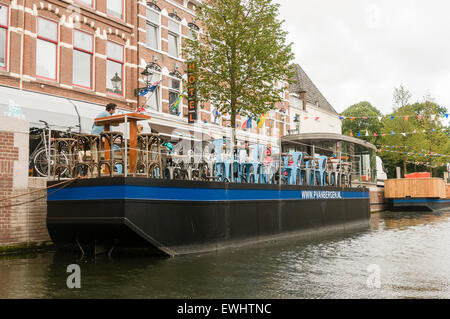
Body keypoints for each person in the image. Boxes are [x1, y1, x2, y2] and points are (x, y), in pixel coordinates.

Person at [91, 103, 122, 174]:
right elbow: (109, 130)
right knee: (111, 146)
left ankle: (103, 167)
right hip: (99, 135)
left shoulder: (101, 113)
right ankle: (108, 166)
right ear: (111, 109)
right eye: (114, 110)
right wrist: (114, 138)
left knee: (110, 144)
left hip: (95, 135)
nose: (114, 112)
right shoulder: (107, 114)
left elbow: (93, 126)